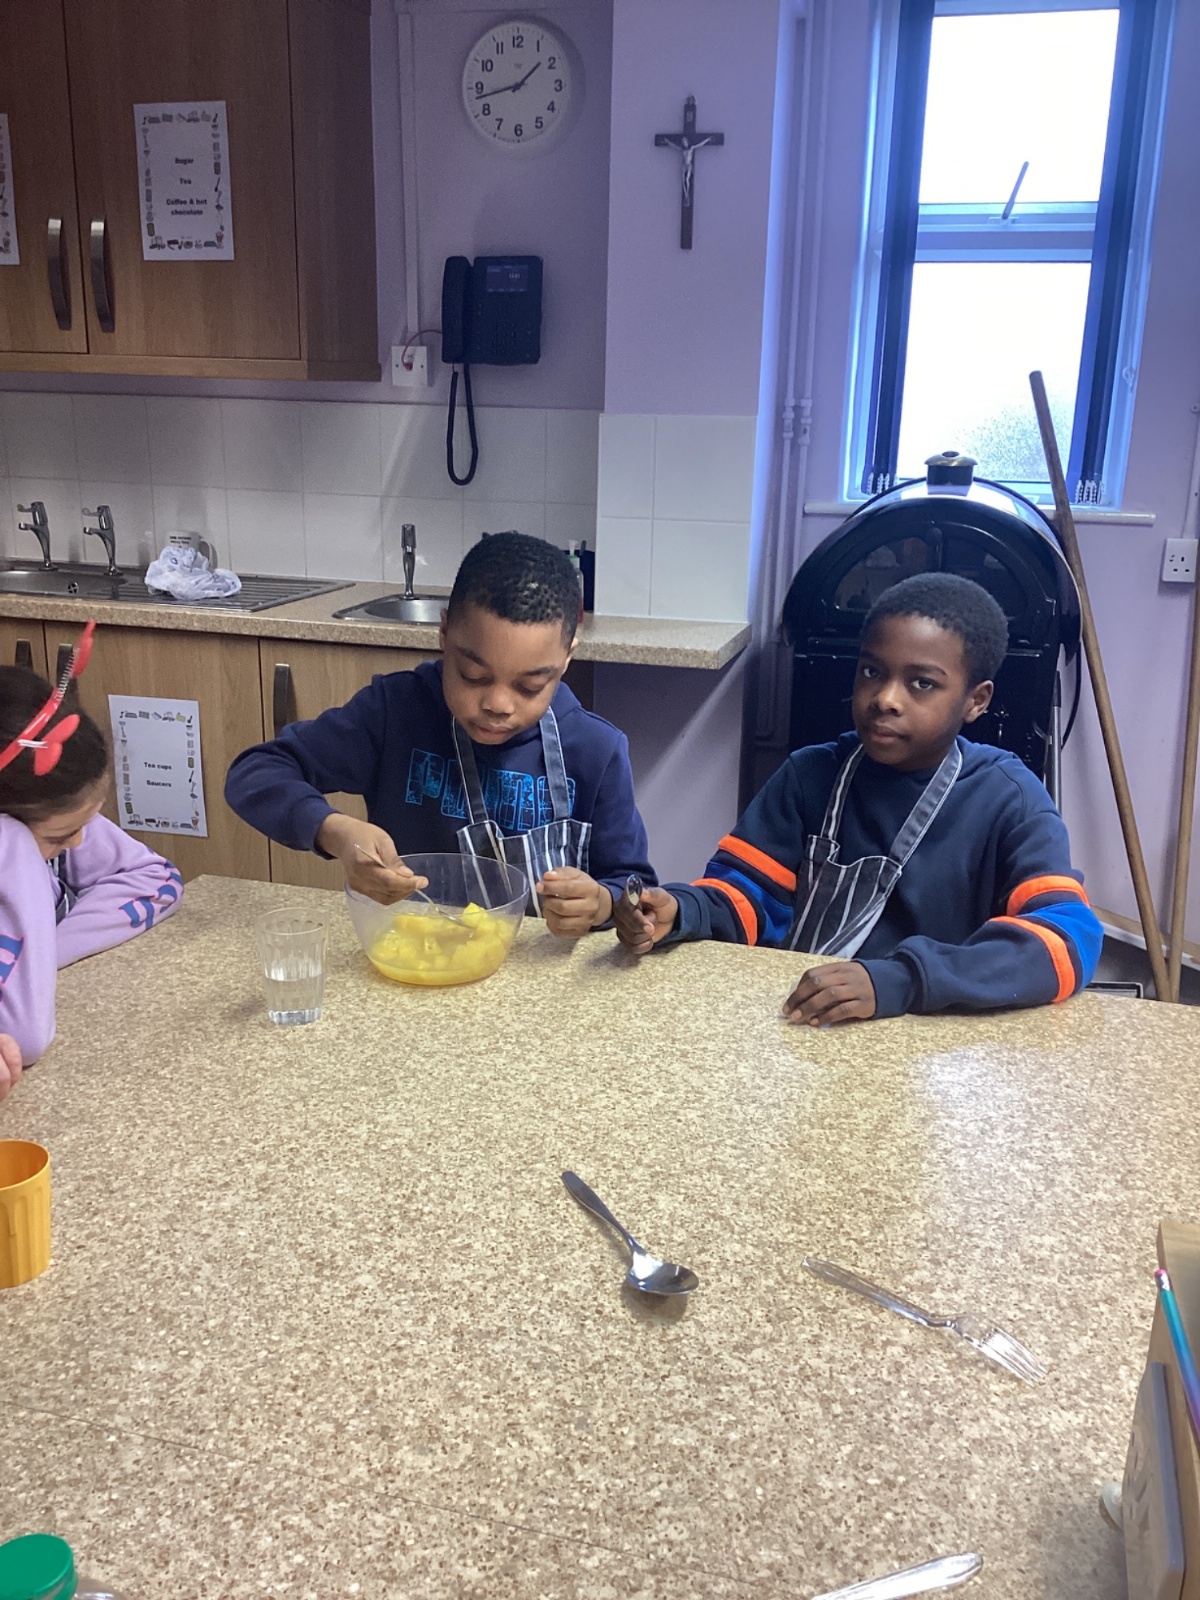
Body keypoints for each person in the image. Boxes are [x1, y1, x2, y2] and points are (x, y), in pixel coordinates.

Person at [615, 573, 1101, 1023]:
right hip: (806, 1019)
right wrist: (684, 910)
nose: (886, 698)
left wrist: (904, 980)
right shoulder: (810, 775)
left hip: (932, 1037)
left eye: (922, 684)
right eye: (872, 671)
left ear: (977, 700)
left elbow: (1067, 940)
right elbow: (746, 897)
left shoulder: (1010, 798)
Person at [226, 532, 654, 935]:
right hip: (415, 960)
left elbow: (633, 886)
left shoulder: (596, 750)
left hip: (541, 979)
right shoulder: (395, 712)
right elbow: (256, 770)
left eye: (529, 686)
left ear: (566, 658)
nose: (498, 704)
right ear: (444, 631)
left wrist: (602, 902)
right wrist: (333, 831)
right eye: (472, 675)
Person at [0, 628, 185, 1078]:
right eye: (61, 837)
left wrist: (44, 953)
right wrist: (14, 848)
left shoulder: (48, 815)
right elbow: (27, 1038)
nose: (79, 844)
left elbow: (157, 879)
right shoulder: (18, 837)